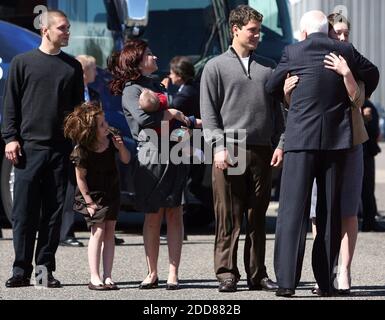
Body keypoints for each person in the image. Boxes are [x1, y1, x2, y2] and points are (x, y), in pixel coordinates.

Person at [265, 10, 379, 297]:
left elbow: (269, 86)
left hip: (300, 141)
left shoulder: (292, 51)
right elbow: (374, 74)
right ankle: (327, 283)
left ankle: (287, 283)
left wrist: (285, 91)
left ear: (303, 32)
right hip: (336, 142)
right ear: (327, 30)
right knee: (329, 211)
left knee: (292, 212)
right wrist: (349, 82)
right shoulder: (345, 51)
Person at [200, 5, 284, 293]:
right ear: (235, 30)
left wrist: (280, 144)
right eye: (252, 30)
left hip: (262, 150)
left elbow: (278, 113)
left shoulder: (269, 67)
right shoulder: (214, 67)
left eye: (259, 30)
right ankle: (226, 273)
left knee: (257, 216)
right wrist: (219, 147)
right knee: (228, 215)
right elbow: (209, 114)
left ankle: (257, 274)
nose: (257, 35)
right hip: (229, 150)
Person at [1, 10, 84, 288]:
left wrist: (78, 146)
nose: (68, 32)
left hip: (60, 151)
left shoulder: (72, 67)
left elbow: (76, 113)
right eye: (62, 28)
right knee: (23, 213)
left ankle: (44, 271)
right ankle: (20, 270)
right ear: (45, 30)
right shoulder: (22, 63)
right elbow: (10, 105)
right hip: (27, 150)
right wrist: (10, 137)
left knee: (52, 215)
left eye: (68, 28)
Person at [108, 38, 197, 290]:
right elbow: (143, 120)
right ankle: (152, 272)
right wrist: (170, 113)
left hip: (175, 151)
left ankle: (173, 273)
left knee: (176, 213)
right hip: (151, 156)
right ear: (136, 61)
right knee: (153, 216)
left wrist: (185, 124)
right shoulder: (130, 90)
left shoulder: (158, 84)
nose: (155, 57)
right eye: (149, 54)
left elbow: (170, 121)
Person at [59, 54, 125, 247]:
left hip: (96, 145)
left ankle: (107, 231)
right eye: (93, 68)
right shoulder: (71, 89)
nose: (97, 72)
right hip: (77, 146)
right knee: (74, 185)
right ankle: (66, 232)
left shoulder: (94, 93)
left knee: (101, 184)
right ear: (84, 71)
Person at [63, 102, 130, 290]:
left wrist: (121, 147)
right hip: (91, 194)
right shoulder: (81, 150)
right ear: (91, 130)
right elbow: (80, 179)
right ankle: (94, 276)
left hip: (111, 190)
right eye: (101, 125)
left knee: (110, 232)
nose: (106, 126)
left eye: (105, 122)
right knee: (98, 232)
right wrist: (89, 202)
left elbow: (126, 160)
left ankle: (108, 276)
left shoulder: (112, 140)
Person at [361, 99, 383, 232]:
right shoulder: (366, 105)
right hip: (363, 151)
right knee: (367, 187)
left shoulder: (368, 105)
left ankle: (369, 220)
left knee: (367, 188)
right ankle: (369, 221)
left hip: (366, 151)